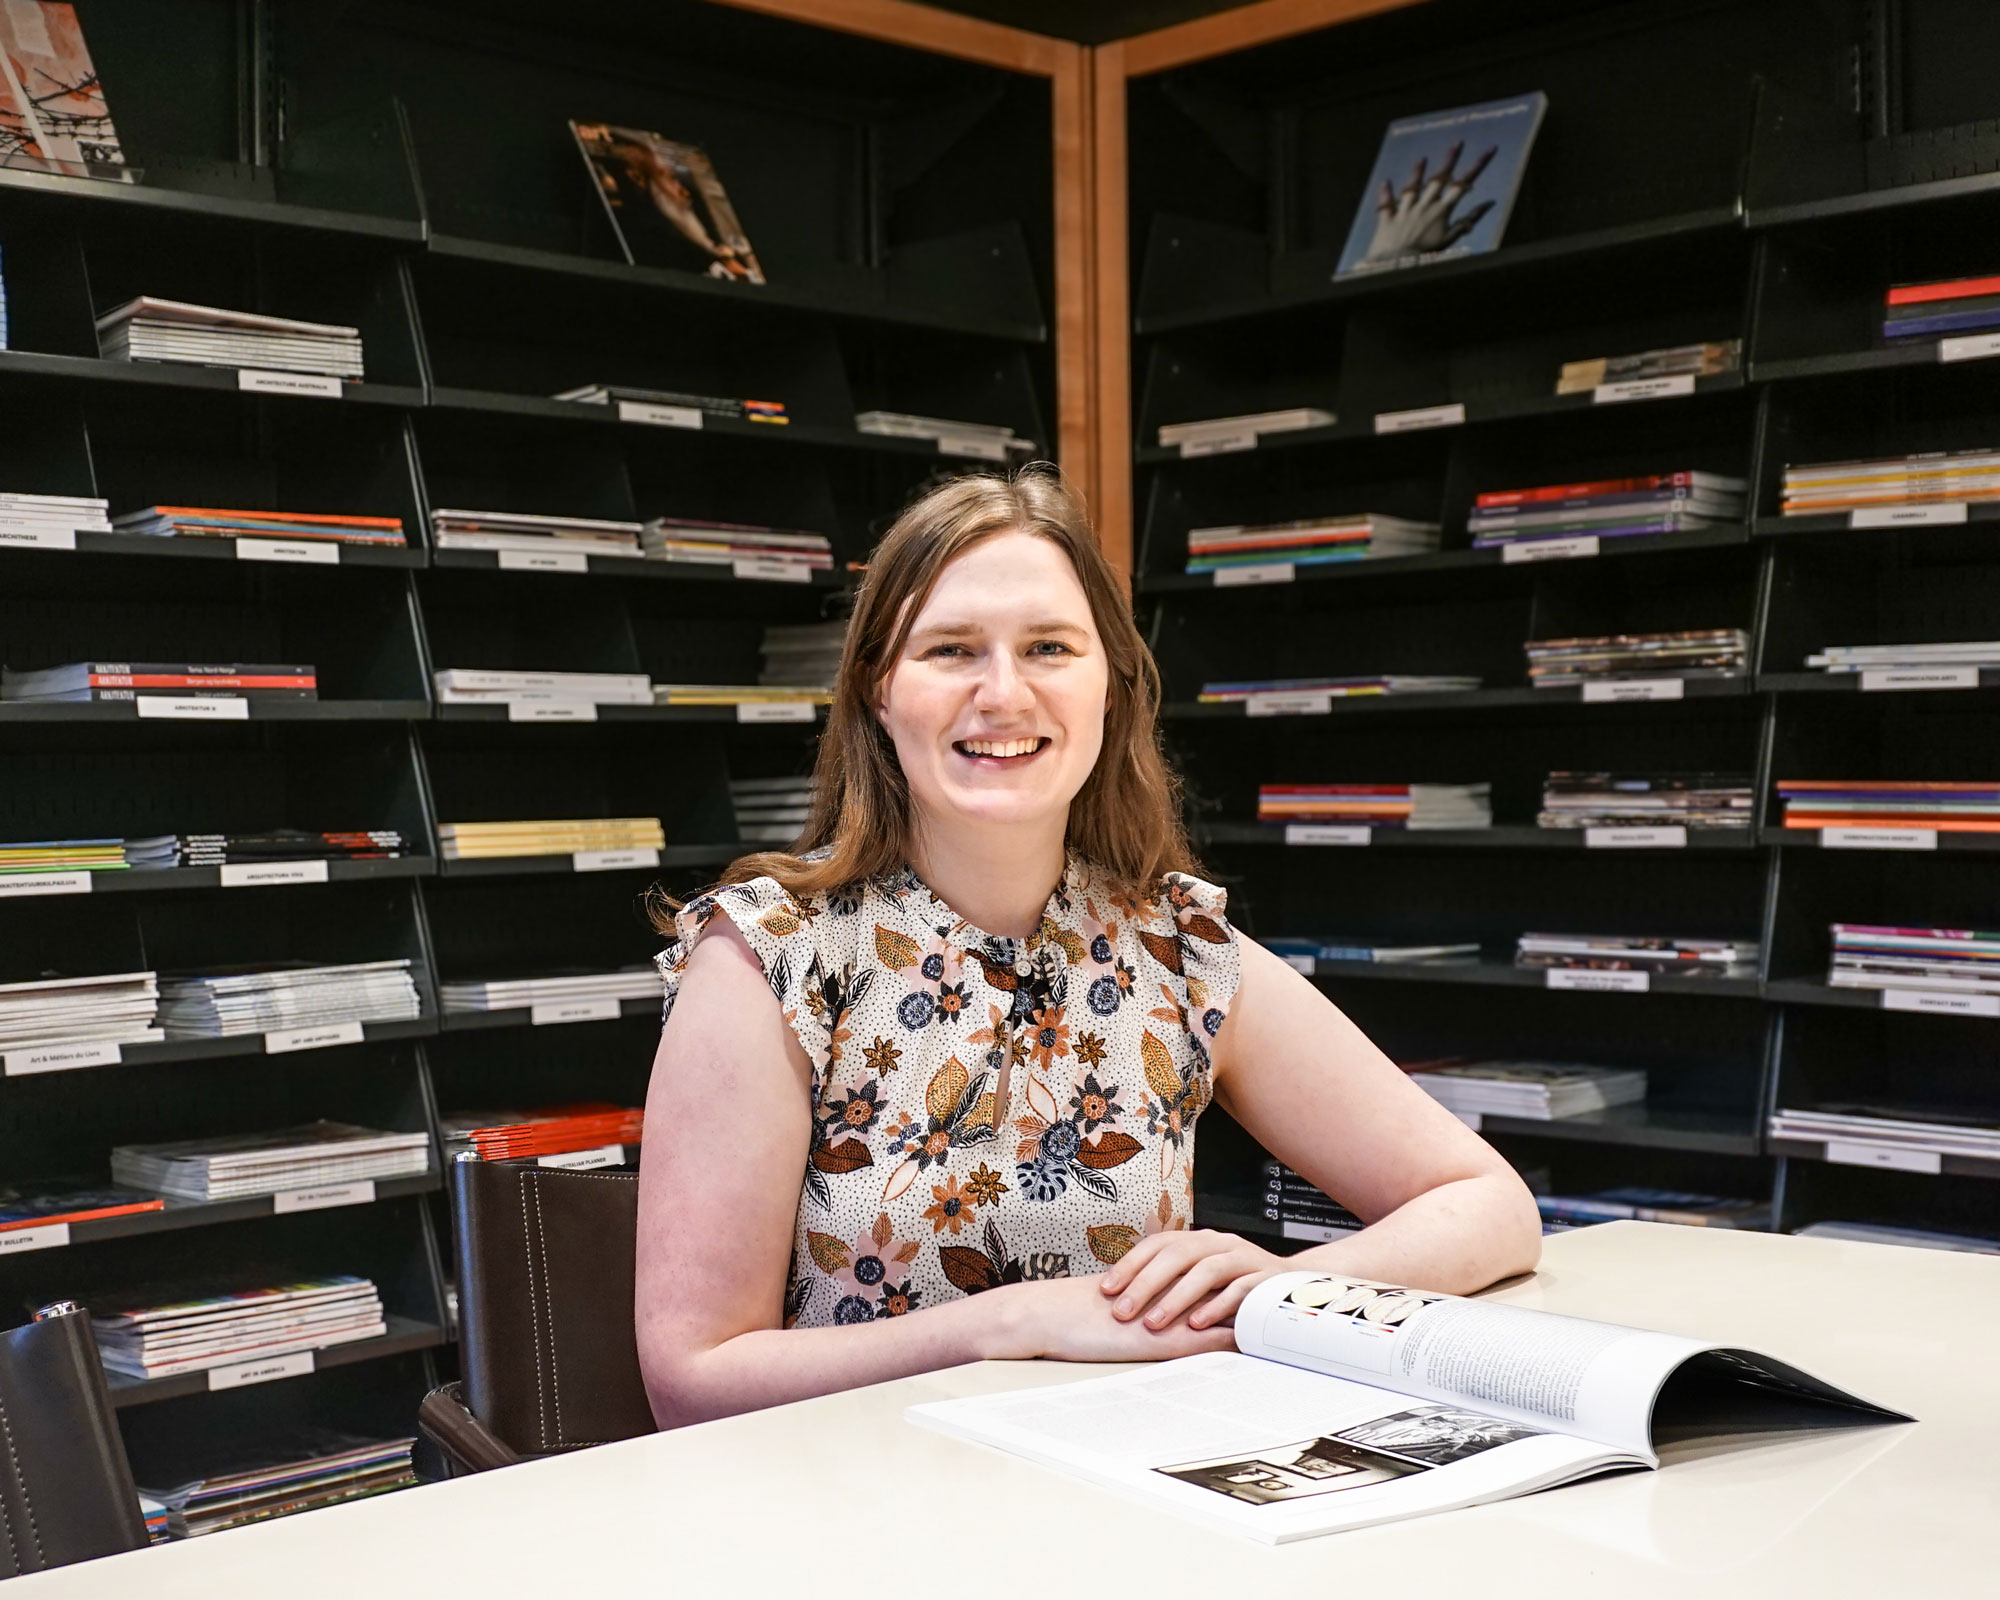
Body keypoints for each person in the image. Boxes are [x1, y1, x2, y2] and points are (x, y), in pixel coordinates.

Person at [635, 466, 1540, 1428]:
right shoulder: (771, 958)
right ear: (878, 690)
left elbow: (1489, 1204)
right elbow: (691, 1380)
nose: (1004, 692)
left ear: (1109, 681)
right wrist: (1004, 1324)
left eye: (1049, 648)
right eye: (950, 650)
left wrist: (1282, 1286)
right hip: (859, 1520)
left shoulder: (1179, 950)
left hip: (1128, 1498)